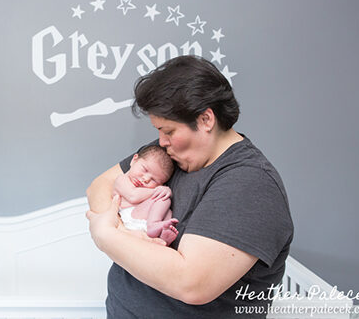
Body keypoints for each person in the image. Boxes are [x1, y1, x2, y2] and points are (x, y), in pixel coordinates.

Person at [85, 56, 293, 316]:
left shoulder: (249, 184)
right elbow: (99, 185)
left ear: (206, 120)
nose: (161, 142)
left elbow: (191, 284)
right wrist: (127, 234)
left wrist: (107, 235)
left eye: (168, 131)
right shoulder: (169, 156)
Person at [112, 143, 178, 245]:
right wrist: (159, 190)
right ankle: (153, 225)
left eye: (154, 180)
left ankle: (163, 237)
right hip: (128, 218)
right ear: (134, 160)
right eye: (145, 170)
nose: (146, 179)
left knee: (167, 209)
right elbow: (133, 196)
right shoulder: (122, 180)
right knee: (163, 198)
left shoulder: (146, 191)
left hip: (144, 223)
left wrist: (163, 192)